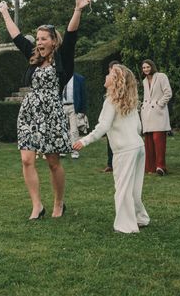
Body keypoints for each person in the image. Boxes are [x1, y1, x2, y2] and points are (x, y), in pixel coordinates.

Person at [0, 0, 93, 219]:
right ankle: (37, 205)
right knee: (26, 159)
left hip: (52, 113)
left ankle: (59, 203)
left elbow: (71, 34)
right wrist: (4, 12)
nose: (39, 42)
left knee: (53, 162)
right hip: (30, 112)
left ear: (53, 41)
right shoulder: (34, 56)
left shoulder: (64, 59)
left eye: (43, 38)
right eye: (37, 38)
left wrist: (78, 10)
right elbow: (17, 36)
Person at [73, 64, 150, 233]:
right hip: (138, 147)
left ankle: (125, 226)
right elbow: (138, 127)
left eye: (109, 74)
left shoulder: (111, 101)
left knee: (122, 188)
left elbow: (103, 127)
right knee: (134, 188)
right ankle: (141, 218)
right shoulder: (129, 100)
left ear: (115, 80)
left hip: (125, 151)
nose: (106, 76)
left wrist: (84, 141)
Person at [140, 59, 172, 176]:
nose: (146, 69)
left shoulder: (161, 77)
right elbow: (146, 97)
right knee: (148, 142)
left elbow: (168, 93)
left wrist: (159, 104)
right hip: (147, 114)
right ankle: (150, 167)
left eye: (147, 67)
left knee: (159, 141)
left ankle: (160, 166)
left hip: (158, 113)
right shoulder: (144, 81)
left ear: (152, 67)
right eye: (144, 68)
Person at [101, 60, 120, 173]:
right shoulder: (108, 79)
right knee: (110, 139)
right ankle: (110, 163)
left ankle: (118, 162)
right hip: (110, 110)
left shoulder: (123, 80)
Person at [62, 72, 87, 159]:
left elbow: (83, 95)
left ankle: (75, 150)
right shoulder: (60, 77)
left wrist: (82, 111)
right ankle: (63, 149)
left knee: (74, 130)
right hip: (62, 106)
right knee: (63, 129)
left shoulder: (79, 78)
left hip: (73, 106)